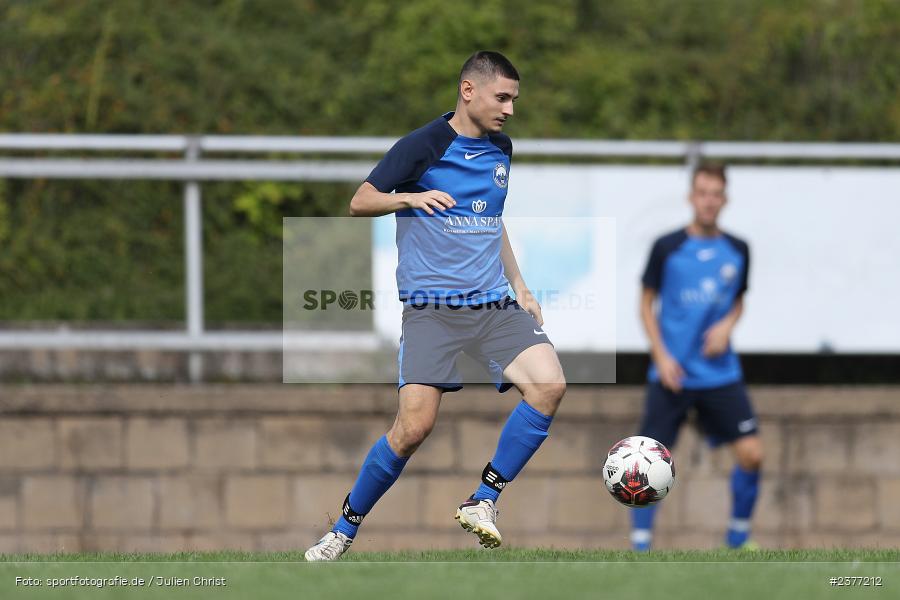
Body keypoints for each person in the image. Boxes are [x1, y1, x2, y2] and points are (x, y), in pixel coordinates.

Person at [304, 51, 566, 561]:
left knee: (550, 384)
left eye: (514, 99)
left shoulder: (501, 148)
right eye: (502, 97)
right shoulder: (423, 145)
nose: (510, 109)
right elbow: (360, 200)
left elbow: (493, 221)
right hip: (432, 310)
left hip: (492, 304)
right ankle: (342, 530)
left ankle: (484, 499)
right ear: (469, 91)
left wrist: (522, 286)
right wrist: (410, 198)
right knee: (412, 430)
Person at [630, 163, 763, 551]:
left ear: (724, 200)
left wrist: (727, 327)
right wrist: (661, 355)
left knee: (753, 453)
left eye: (715, 194)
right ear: (692, 198)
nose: (708, 201)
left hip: (719, 374)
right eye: (702, 193)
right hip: (671, 374)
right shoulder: (668, 247)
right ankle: (640, 545)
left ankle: (738, 538)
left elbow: (738, 301)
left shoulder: (737, 250)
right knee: (645, 463)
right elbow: (645, 304)